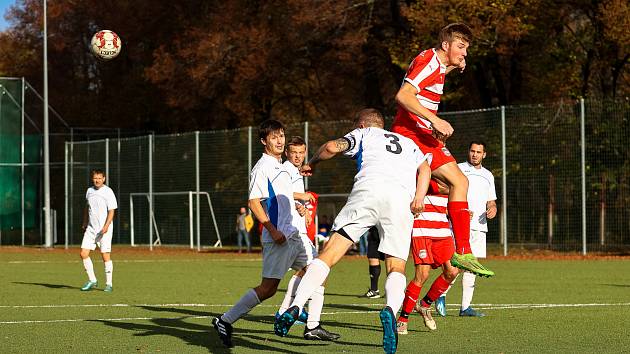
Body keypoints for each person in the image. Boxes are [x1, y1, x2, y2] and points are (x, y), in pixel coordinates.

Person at [274, 108, 431, 354]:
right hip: (401, 200)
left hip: (368, 193)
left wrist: (312, 163)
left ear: (361, 124)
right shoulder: (407, 142)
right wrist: (419, 198)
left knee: (329, 254)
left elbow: (331, 147)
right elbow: (425, 170)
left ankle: (296, 305)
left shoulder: (364, 133)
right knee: (397, 266)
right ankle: (390, 309)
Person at [212, 120, 336, 348]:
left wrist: (298, 206)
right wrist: (272, 229)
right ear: (263, 141)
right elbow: (253, 202)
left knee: (318, 271)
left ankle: (312, 326)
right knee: (268, 289)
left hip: (296, 236)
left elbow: (284, 197)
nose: (279, 141)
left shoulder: (281, 166)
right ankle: (224, 320)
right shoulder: (262, 167)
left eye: (281, 136)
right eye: (274, 137)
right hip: (279, 238)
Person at [391, 22, 493, 277]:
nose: (464, 53)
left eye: (467, 48)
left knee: (459, 182)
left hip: (424, 135)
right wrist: (435, 120)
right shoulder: (429, 60)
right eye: (461, 46)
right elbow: (403, 96)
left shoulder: (438, 65)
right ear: (445, 45)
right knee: (453, 182)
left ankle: (464, 253)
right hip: (410, 135)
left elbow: (424, 89)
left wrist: (451, 66)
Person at [275, 136, 339, 341]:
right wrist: (301, 198)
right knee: (319, 271)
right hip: (293, 232)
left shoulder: (295, 171)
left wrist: (301, 208)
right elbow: (278, 192)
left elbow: (287, 197)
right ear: (287, 153)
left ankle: (293, 315)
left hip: (296, 230)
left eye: (301, 152)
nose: (298, 156)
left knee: (308, 272)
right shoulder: (285, 169)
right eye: (294, 152)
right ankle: (309, 323)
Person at [435, 141, 497, 317]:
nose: (475, 154)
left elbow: (491, 201)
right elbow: (446, 191)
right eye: (472, 151)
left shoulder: (488, 175)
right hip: (460, 224)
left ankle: (465, 307)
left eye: (478, 152)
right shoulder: (458, 169)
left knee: (472, 267)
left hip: (479, 227)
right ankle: (441, 295)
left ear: (484, 154)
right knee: (457, 264)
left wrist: (492, 208)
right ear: (468, 152)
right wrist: (457, 209)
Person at [395, 182, 459, 334]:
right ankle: (403, 320)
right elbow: (425, 185)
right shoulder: (419, 166)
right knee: (422, 275)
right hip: (422, 229)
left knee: (453, 271)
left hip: (443, 230)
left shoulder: (450, 170)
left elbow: (453, 195)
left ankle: (424, 305)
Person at [79, 169, 117, 293]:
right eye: (95, 178)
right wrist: (85, 221)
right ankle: (92, 280)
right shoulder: (89, 191)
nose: (97, 180)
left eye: (100, 178)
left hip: (104, 229)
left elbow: (112, 211)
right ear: (92, 178)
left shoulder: (108, 191)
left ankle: (109, 284)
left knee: (105, 256)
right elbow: (87, 207)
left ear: (104, 179)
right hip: (91, 228)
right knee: (83, 254)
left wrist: (106, 226)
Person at [360, 227, 384, 299]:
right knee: (372, 256)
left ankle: (393, 291)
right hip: (374, 230)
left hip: (388, 230)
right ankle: (374, 290)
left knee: (391, 260)